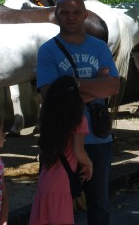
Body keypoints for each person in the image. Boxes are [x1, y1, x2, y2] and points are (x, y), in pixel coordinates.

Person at [36, 0, 120, 225]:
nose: (71, 17)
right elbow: (50, 97)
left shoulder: (100, 47)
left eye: (76, 12)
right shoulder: (48, 51)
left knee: (99, 205)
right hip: (62, 142)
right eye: (65, 12)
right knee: (58, 202)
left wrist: (74, 85)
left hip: (98, 139)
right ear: (56, 16)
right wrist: (96, 86)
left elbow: (113, 86)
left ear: (85, 15)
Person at [30, 75, 93, 225]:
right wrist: (89, 164)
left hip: (45, 180)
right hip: (62, 184)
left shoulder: (47, 118)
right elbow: (79, 152)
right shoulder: (79, 120)